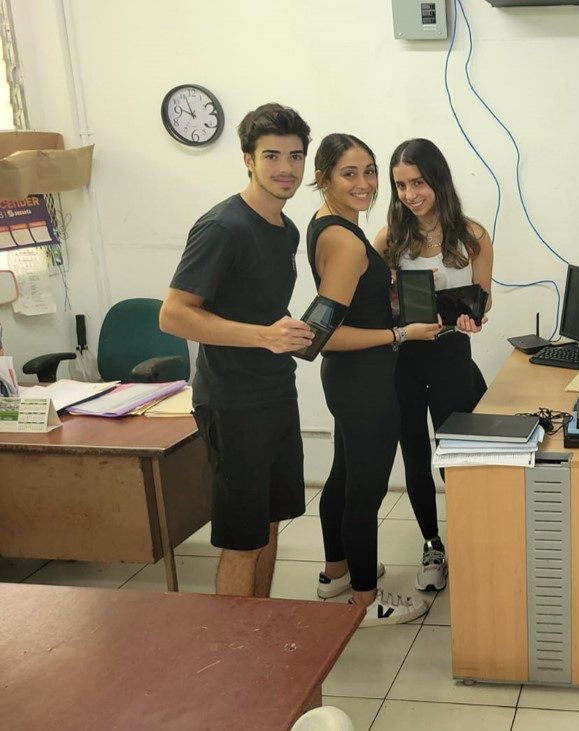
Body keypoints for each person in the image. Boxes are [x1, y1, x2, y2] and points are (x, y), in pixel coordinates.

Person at [160, 103, 315, 598]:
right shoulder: (223, 226)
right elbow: (174, 314)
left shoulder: (285, 229)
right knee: (242, 538)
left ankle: (260, 635)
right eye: (272, 156)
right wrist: (264, 336)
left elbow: (259, 305)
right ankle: (230, 658)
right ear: (248, 159)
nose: (286, 168)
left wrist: (288, 335)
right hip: (231, 401)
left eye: (295, 156)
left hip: (274, 391)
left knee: (271, 522)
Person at [307, 133, 443, 626]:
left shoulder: (332, 225)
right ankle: (366, 601)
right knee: (363, 492)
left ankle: (336, 573)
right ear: (323, 178)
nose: (364, 183)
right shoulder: (344, 241)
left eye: (369, 172)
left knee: (344, 476)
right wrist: (401, 331)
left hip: (351, 380)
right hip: (362, 382)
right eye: (349, 173)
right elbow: (321, 335)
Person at [373, 138, 493, 593]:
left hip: (450, 357)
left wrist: (473, 317)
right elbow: (373, 301)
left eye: (418, 182)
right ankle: (432, 545)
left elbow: (483, 299)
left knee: (456, 457)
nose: (410, 194)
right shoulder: (390, 238)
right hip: (403, 359)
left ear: (437, 180)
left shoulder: (473, 236)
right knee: (415, 456)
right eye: (401, 185)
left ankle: (471, 539)